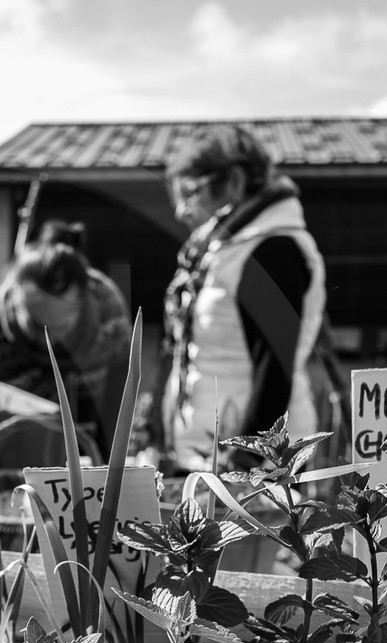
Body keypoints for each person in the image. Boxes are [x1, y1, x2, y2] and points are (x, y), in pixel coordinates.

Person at [137, 127, 327, 471]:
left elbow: (275, 369)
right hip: (208, 454)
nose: (180, 210)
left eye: (190, 192)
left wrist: (246, 462)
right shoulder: (224, 251)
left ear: (235, 183)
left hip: (251, 467)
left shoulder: (272, 251)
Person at [0, 221, 130, 449]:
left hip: (89, 436)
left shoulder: (106, 307)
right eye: (37, 327)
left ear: (82, 304)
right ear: (15, 301)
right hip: (15, 449)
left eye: (61, 326)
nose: (50, 339)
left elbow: (121, 385)